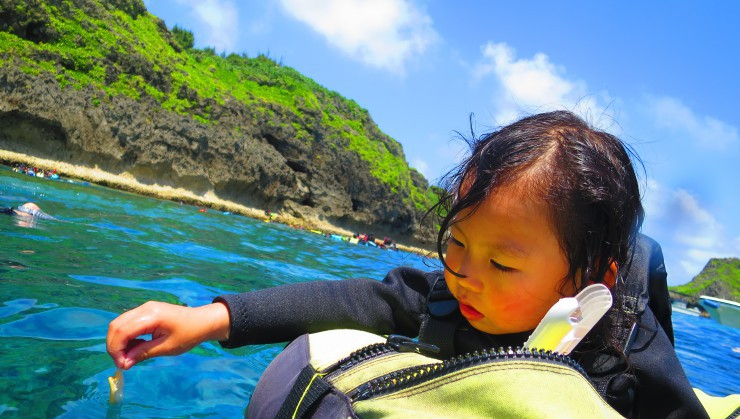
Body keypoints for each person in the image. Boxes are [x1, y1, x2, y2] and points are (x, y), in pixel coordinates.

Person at [106, 111, 708, 418]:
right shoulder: (449, 297)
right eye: (457, 243)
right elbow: (356, 299)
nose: (466, 273)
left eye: (501, 263)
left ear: (590, 280)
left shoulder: (629, 353)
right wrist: (210, 319)